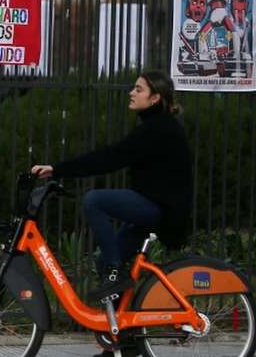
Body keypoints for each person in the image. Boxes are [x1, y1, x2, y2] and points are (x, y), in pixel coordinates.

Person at [31, 70, 193, 300]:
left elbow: (110, 158)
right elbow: (113, 156)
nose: (131, 93)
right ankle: (122, 328)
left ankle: (115, 271)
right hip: (154, 207)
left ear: (155, 98)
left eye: (139, 89)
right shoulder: (156, 126)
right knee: (103, 261)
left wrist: (57, 169)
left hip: (160, 210)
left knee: (94, 201)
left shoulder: (158, 129)